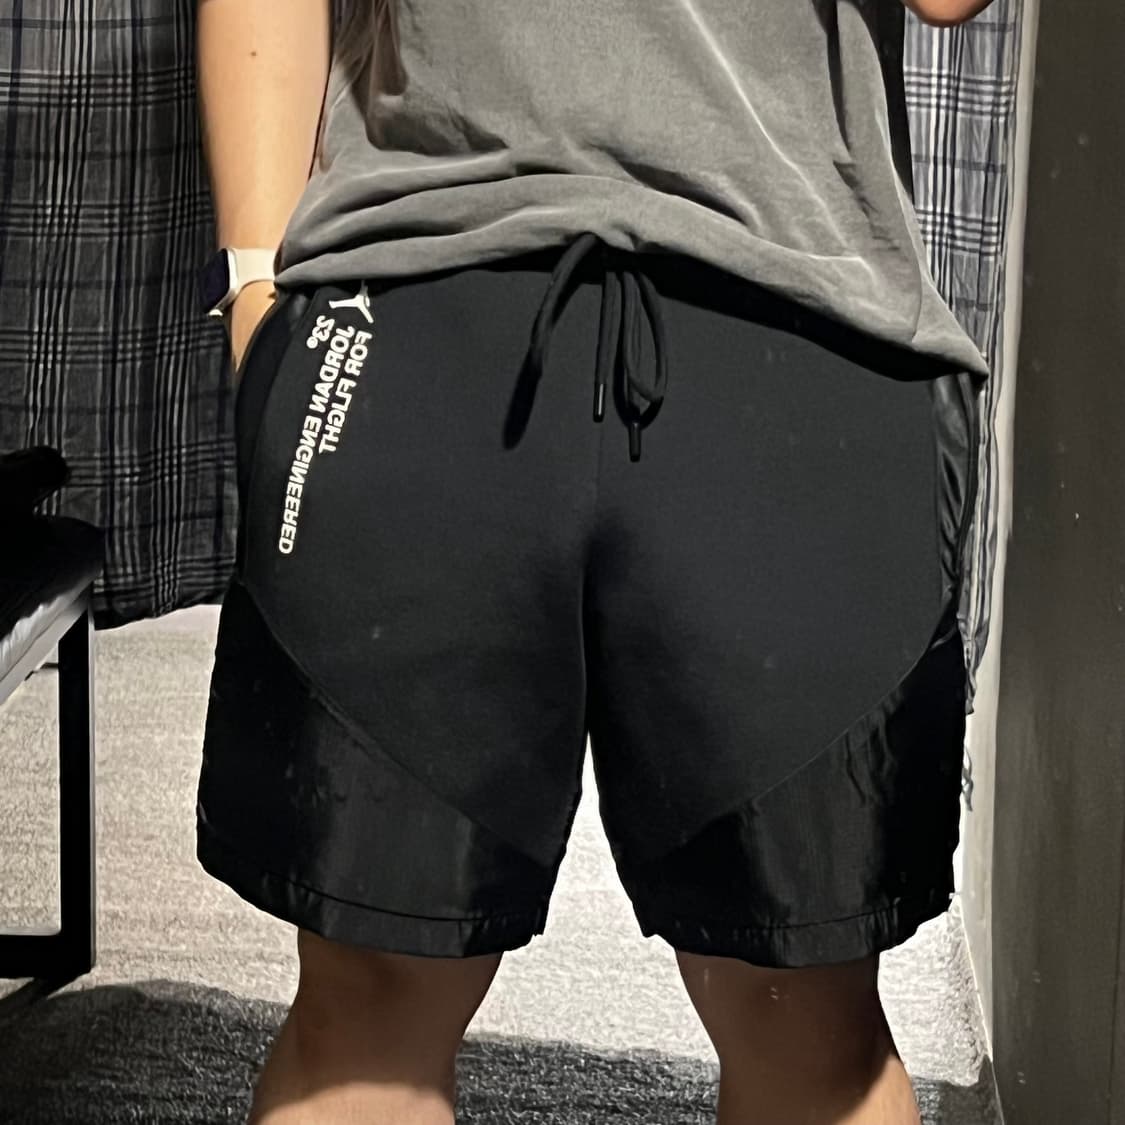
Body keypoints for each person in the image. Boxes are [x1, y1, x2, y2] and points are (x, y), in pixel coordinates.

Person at [194, 0, 995, 1121]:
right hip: (416, 292)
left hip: (793, 310)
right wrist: (256, 294)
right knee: (367, 1007)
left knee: (803, 1007)